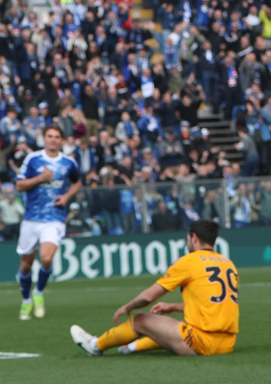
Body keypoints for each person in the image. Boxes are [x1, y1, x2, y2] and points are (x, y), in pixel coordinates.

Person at [71, 219, 239, 356]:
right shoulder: (228, 264)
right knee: (174, 325)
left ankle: (95, 346)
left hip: (200, 342)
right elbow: (212, 305)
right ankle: (133, 347)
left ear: (193, 238)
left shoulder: (189, 260)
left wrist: (128, 306)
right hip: (226, 344)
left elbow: (148, 297)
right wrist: (172, 306)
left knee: (141, 320)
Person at [14, 124, 82, 320]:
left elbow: (77, 182)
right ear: (44, 138)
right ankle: (26, 300)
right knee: (26, 264)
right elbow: (19, 185)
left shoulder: (68, 163)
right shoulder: (33, 159)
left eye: (57, 136)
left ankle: (39, 292)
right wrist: (40, 178)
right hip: (31, 218)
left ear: (61, 140)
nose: (53, 139)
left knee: (46, 258)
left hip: (55, 218)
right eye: (50, 136)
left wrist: (67, 196)